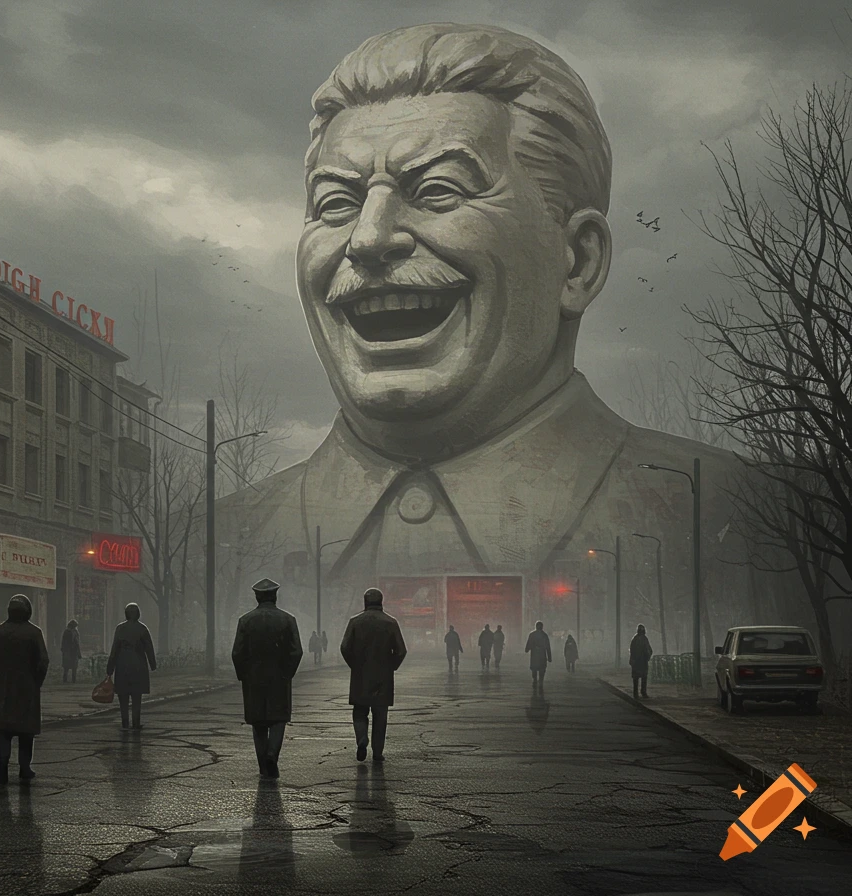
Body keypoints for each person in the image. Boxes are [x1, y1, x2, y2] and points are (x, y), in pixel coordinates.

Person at [213, 22, 801, 640]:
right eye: (336, 203)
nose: (370, 238)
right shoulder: (216, 535)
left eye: (439, 190)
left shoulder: (748, 515)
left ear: (577, 261)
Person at [231, 578, 304, 779]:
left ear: (257, 596)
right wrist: (287, 672)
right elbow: (296, 651)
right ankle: (273, 754)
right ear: (275, 595)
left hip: (253, 678)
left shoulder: (245, 620)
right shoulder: (288, 620)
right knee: (279, 719)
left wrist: (243, 675)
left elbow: (237, 652)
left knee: (258, 723)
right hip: (279, 677)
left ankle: (263, 765)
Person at [0, 594, 49, 783]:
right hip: (26, 690)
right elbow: (43, 661)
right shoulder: (34, 633)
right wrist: (36, 682)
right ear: (28, 611)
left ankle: (2, 769)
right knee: (26, 733)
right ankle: (24, 767)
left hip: (1, 690)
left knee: (3, 733)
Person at [340, 588, 407, 762]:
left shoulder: (355, 622)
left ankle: (361, 737)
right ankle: (377, 752)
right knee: (380, 716)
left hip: (360, 675)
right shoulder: (390, 623)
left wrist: (354, 665)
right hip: (383, 677)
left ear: (365, 602)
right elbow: (401, 650)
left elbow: (345, 647)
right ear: (381, 601)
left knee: (360, 711)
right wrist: (391, 666)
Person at [107, 603, 157, 730]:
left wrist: (110, 667)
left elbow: (114, 650)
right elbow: (149, 648)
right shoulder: (142, 629)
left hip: (122, 665)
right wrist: (153, 664)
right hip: (138, 666)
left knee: (123, 696)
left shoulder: (120, 628)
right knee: (136, 696)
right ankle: (136, 722)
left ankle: (124, 722)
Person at [525, 621, 552, 691]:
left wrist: (527, 649)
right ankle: (540, 682)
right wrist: (549, 657)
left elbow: (529, 644)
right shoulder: (544, 635)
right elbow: (548, 647)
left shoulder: (532, 635)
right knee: (542, 669)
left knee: (534, 668)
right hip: (542, 655)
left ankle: (534, 679)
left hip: (534, 655)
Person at [629, 624, 653, 698]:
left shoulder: (638, 639)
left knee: (641, 678)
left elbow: (649, 649)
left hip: (640, 661)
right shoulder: (639, 639)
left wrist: (647, 656)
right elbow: (633, 650)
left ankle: (640, 693)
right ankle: (639, 693)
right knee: (639, 678)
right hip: (639, 661)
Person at [60, 619, 81, 684]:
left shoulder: (73, 632)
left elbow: (77, 643)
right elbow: (64, 642)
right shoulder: (69, 632)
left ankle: (71, 680)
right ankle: (68, 680)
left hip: (72, 651)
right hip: (69, 651)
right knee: (68, 667)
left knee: (72, 667)